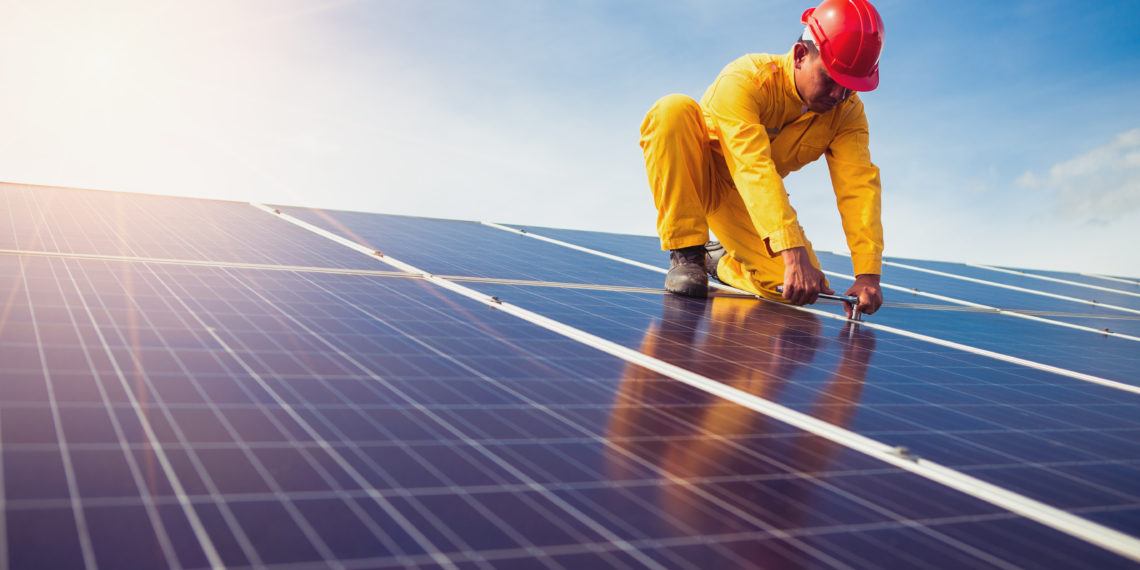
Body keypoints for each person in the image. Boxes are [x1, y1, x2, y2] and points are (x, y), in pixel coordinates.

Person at [639, 0, 886, 319]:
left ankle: (724, 262)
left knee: (795, 288)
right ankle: (687, 256)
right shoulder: (746, 79)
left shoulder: (848, 114)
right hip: (698, 176)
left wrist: (868, 274)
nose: (839, 95)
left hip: (746, 202)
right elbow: (751, 166)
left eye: (850, 87)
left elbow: (859, 188)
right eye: (831, 79)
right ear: (800, 55)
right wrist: (791, 249)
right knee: (671, 111)